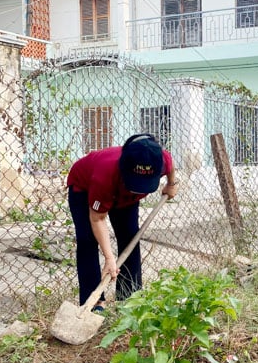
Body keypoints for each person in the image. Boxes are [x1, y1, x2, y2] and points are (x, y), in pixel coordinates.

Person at [67, 133, 179, 311]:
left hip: (126, 196)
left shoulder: (158, 158)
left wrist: (171, 184)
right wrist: (109, 258)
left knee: (130, 236)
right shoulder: (104, 174)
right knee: (87, 240)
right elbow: (97, 218)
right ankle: (93, 303)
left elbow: (170, 162)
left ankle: (129, 297)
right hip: (85, 188)